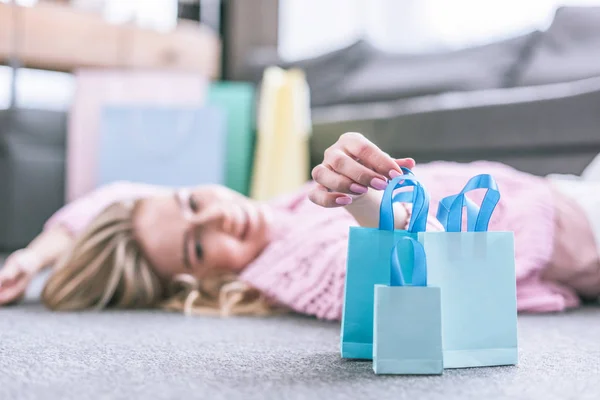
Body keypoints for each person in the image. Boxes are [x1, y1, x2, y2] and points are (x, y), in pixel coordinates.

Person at [0, 132, 598, 318]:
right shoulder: (291, 268)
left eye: (188, 200)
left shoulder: (275, 215)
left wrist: (32, 255)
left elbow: (119, 197)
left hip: (571, 192)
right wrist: (361, 202)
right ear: (194, 285)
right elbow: (420, 280)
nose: (213, 215)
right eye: (199, 243)